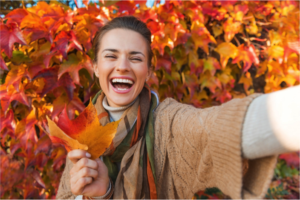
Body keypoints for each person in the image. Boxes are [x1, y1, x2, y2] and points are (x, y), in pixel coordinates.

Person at [56, 16, 300, 200]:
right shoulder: (82, 131)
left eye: (136, 58)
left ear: (148, 71)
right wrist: (99, 193)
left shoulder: (167, 123)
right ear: (96, 67)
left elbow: (212, 128)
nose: (122, 66)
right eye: (111, 56)